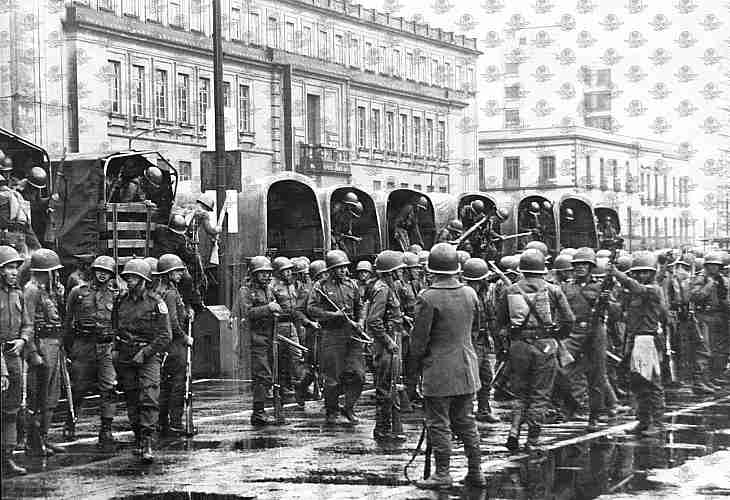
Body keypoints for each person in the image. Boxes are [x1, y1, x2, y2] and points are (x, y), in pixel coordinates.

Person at [409, 243, 485, 489]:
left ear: (431, 270)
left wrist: (414, 371)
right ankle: (476, 472)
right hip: (467, 367)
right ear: (456, 268)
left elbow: (418, 341)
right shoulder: (470, 293)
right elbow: (476, 328)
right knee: (466, 421)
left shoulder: (427, 297)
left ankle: (443, 473)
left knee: (438, 422)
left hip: (439, 370)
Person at [496, 249, 574, 452]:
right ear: (543, 269)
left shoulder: (510, 290)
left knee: (520, 392)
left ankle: (514, 430)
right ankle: (532, 439)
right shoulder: (554, 290)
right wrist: (558, 335)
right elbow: (569, 319)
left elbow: (500, 322)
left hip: (519, 346)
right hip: (545, 345)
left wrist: (505, 346)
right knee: (540, 393)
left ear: (522, 269)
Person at [113, 259, 172, 462]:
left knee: (148, 396)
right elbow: (115, 327)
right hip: (126, 354)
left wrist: (145, 353)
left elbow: (165, 335)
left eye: (134, 277)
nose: (129, 281)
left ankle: (147, 441)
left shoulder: (156, 303)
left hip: (148, 356)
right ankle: (138, 438)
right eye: (127, 277)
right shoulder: (121, 301)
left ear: (144, 280)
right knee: (131, 398)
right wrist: (115, 350)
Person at [609, 251, 668, 436]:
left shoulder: (654, 289)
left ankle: (657, 422)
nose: (642, 275)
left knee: (651, 382)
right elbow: (620, 313)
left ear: (652, 273)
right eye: (638, 272)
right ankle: (643, 420)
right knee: (637, 382)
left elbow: (637, 288)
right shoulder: (632, 293)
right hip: (634, 339)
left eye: (646, 272)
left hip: (648, 339)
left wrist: (617, 274)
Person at [63, 255, 118, 447]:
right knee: (79, 386)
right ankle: (71, 420)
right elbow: (68, 320)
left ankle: (106, 428)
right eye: (100, 271)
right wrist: (67, 348)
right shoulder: (78, 293)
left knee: (109, 387)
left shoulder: (116, 295)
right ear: (93, 271)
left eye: (107, 272)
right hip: (83, 345)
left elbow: (118, 322)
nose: (102, 275)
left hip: (105, 347)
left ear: (112, 275)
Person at [307, 250, 365, 425]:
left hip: (352, 335)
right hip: (331, 335)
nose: (344, 271)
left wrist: (360, 321)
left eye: (345, 267)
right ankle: (332, 410)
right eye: (339, 268)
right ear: (331, 270)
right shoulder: (320, 286)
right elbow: (311, 309)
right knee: (332, 377)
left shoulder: (351, 285)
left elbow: (360, 306)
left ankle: (349, 407)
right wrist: (332, 315)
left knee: (358, 374)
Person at [559, 247, 611, 431]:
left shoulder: (600, 287)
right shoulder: (566, 287)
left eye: (585, 264)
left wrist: (605, 301)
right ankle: (571, 406)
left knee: (596, 376)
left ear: (591, 267)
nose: (580, 267)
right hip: (572, 333)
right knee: (561, 370)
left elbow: (616, 313)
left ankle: (594, 416)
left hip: (594, 332)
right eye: (577, 264)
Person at [24, 249, 66, 457]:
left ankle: (44, 436)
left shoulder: (50, 290)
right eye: (53, 271)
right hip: (41, 344)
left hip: (53, 343)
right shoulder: (31, 290)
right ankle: (33, 441)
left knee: (51, 395)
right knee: (37, 396)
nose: (56, 274)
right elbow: (28, 323)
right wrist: (33, 353)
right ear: (44, 272)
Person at [367, 250, 407, 442]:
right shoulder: (382, 289)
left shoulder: (388, 287)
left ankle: (389, 427)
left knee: (392, 385)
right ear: (390, 271)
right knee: (386, 386)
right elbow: (373, 320)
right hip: (386, 343)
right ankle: (383, 428)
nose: (401, 272)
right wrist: (388, 341)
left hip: (393, 338)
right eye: (399, 270)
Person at [235, 256, 280, 426]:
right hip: (254, 339)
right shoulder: (246, 291)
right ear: (254, 274)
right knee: (262, 375)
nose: (266, 276)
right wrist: (268, 308)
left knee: (271, 375)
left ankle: (264, 410)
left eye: (268, 273)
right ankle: (258, 412)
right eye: (262, 273)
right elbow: (246, 313)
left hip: (270, 338)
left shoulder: (269, 290)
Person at [0, 246, 32, 476]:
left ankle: (7, 457)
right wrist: (2, 370)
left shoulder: (18, 293)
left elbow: (27, 323)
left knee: (11, 409)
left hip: (13, 356)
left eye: (15, 268)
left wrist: (23, 339)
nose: (14, 272)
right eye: (9, 267)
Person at [156, 254, 192, 436]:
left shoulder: (162, 290)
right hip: (175, 345)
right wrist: (185, 338)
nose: (180, 274)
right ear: (168, 273)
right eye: (177, 271)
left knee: (165, 384)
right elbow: (173, 321)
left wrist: (187, 312)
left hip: (164, 344)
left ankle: (162, 422)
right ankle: (175, 423)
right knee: (178, 384)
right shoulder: (170, 293)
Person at [463, 258, 499, 423]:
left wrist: (494, 339)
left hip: (482, 340)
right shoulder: (465, 294)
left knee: (486, 377)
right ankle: (467, 412)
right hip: (470, 340)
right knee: (471, 378)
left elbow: (491, 318)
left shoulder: (484, 295)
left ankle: (483, 410)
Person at [690, 252, 730, 385]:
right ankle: (700, 381)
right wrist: (708, 286)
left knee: (717, 349)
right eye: (711, 265)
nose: (714, 267)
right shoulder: (701, 278)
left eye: (717, 265)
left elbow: (724, 298)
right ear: (706, 266)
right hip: (704, 316)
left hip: (718, 316)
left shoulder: (721, 279)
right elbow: (694, 296)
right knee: (703, 349)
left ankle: (713, 377)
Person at [271, 256, 303, 399]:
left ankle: (296, 384)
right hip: (278, 325)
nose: (289, 273)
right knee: (278, 358)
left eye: (290, 270)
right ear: (278, 272)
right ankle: (279, 386)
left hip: (292, 324)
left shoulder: (293, 285)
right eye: (285, 270)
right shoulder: (272, 287)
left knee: (296, 355)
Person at [0, 173, 40, 256]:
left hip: (12, 236)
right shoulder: (14, 195)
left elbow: (24, 224)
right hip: (14, 236)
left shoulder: (12, 196)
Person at [331, 192, 363, 257]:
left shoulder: (345, 214)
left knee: (346, 254)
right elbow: (335, 231)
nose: (351, 207)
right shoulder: (336, 209)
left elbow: (342, 233)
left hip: (338, 237)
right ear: (346, 203)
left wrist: (351, 237)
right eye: (351, 205)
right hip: (332, 236)